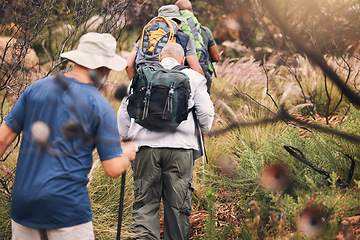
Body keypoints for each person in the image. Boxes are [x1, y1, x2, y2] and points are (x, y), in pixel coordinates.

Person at [0, 32, 136, 240]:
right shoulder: (99, 105)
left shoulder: (35, 89)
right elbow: (113, 168)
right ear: (103, 69)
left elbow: (2, 139)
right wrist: (126, 153)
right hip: (67, 210)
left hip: (24, 206)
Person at [117, 42, 214, 240]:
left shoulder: (141, 75)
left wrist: (127, 138)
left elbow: (123, 114)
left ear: (160, 58)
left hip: (144, 147)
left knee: (145, 204)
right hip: (181, 148)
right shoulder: (194, 77)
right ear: (183, 59)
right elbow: (205, 113)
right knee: (178, 207)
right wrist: (203, 130)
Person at [125, 5, 204, 80]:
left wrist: (135, 85)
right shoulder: (184, 38)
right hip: (172, 88)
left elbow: (129, 65)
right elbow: (196, 69)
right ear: (177, 21)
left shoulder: (146, 36)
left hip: (143, 86)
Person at [175, 0, 220, 92]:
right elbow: (216, 57)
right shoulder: (204, 31)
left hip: (178, 74)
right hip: (202, 73)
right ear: (191, 11)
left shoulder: (172, 31)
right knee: (202, 105)